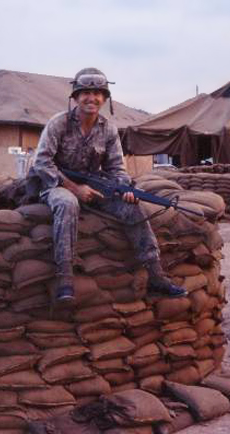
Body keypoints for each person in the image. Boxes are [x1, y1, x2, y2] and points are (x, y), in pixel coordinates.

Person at [27, 67, 187, 303]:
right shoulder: (58, 123)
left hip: (94, 185)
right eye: (86, 93)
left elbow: (116, 168)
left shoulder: (108, 128)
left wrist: (125, 190)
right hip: (57, 184)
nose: (92, 98)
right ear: (75, 97)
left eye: (98, 93)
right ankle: (65, 278)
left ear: (105, 98)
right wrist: (74, 188)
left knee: (133, 208)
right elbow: (42, 162)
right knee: (67, 203)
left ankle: (155, 275)